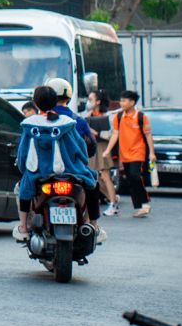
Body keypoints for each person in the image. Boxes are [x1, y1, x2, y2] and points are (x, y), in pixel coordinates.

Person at [14, 85, 99, 241]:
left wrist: (23, 169)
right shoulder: (68, 123)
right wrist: (82, 164)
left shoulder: (29, 125)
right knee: (92, 183)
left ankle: (23, 227)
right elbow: (80, 148)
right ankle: (92, 224)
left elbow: (23, 153)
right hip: (71, 171)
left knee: (22, 188)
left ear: (35, 102)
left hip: (39, 173)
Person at [107, 90, 156, 218]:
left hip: (138, 152)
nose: (121, 103)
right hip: (124, 154)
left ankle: (145, 203)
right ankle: (139, 207)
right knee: (130, 179)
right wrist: (108, 150)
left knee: (135, 175)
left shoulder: (141, 117)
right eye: (121, 100)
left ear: (132, 102)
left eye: (124, 101)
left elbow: (148, 135)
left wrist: (151, 153)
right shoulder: (118, 117)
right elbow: (115, 134)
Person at [86, 91, 118, 215]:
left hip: (103, 146)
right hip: (93, 147)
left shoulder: (107, 116)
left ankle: (113, 204)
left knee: (105, 175)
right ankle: (112, 198)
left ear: (98, 102)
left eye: (91, 99)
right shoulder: (87, 115)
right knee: (96, 177)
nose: (88, 102)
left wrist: (96, 133)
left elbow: (112, 134)